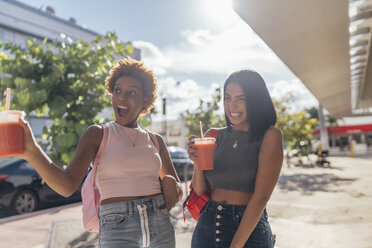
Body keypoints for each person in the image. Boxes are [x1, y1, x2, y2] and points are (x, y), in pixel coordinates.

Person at [12, 58, 183, 248]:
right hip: (118, 227)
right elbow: (67, 186)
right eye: (117, 91)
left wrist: (170, 183)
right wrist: (32, 152)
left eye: (131, 92)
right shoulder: (98, 134)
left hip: (160, 223)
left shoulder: (155, 140)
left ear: (145, 100)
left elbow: (177, 189)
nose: (122, 98)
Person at [188, 69, 283, 248]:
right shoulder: (213, 136)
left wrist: (236, 245)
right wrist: (197, 161)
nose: (232, 106)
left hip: (249, 231)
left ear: (255, 101)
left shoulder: (270, 136)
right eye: (227, 98)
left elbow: (262, 196)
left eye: (241, 99)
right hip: (207, 224)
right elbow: (200, 189)